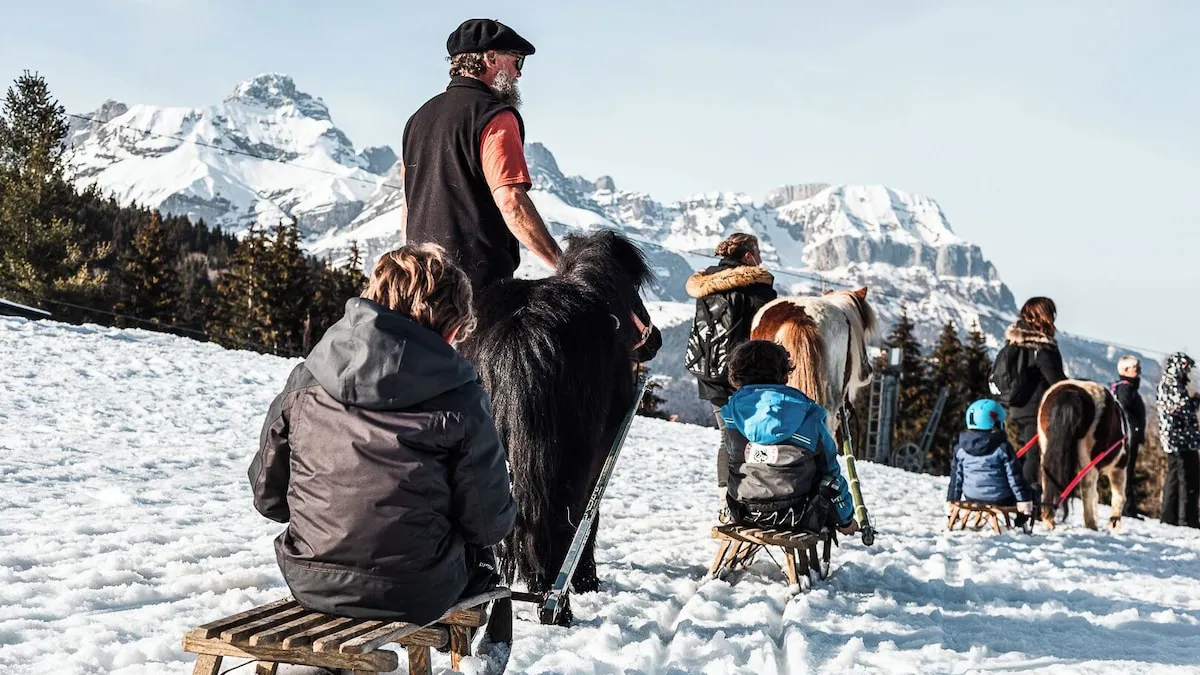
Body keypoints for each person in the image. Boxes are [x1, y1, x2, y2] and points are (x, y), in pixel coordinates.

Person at [248, 244, 516, 624]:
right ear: (452, 329)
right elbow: (488, 524)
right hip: (417, 589)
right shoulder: (460, 398)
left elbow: (268, 499)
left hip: (310, 578)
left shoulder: (306, 379)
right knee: (479, 557)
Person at [400, 18, 561, 297]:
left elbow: (407, 209)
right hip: (477, 293)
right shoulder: (494, 116)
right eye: (517, 61)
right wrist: (562, 264)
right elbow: (511, 202)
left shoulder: (416, 120)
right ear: (491, 58)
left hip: (422, 287)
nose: (518, 74)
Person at [720, 340, 858, 536]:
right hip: (799, 514)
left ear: (736, 376)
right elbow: (830, 471)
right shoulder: (809, 412)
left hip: (743, 511)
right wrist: (845, 519)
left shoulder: (731, 414)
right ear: (785, 374)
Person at [683, 233, 776, 510]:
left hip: (709, 370)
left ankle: (726, 496)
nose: (761, 259)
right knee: (756, 435)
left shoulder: (706, 283)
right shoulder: (756, 288)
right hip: (743, 372)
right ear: (748, 256)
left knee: (728, 435)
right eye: (757, 253)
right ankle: (752, 494)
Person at [997, 296, 1066, 508]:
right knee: (1034, 457)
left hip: (1016, 407)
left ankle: (1017, 495)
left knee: (1026, 454)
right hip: (1037, 410)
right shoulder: (1042, 346)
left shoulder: (1015, 341)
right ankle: (1025, 501)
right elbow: (1057, 381)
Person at [946, 399, 1034, 529]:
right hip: (1001, 498)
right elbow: (1015, 478)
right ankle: (1021, 520)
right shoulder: (1002, 447)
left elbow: (956, 479)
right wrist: (1023, 502)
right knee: (1032, 491)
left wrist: (952, 502)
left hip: (971, 496)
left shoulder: (960, 448)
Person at [1157, 351, 1200, 528]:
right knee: (1188, 478)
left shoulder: (1169, 383)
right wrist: (1195, 401)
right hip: (1180, 440)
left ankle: (1170, 516)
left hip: (1176, 439)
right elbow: (1182, 408)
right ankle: (1186, 518)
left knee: (1175, 477)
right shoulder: (1172, 384)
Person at [1110, 355, 1147, 518]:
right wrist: (1134, 427)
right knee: (1127, 472)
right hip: (1129, 435)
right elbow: (1123, 407)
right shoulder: (1127, 389)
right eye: (1136, 369)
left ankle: (1128, 506)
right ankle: (1127, 507)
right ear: (1125, 370)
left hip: (1127, 434)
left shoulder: (1122, 387)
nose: (1139, 372)